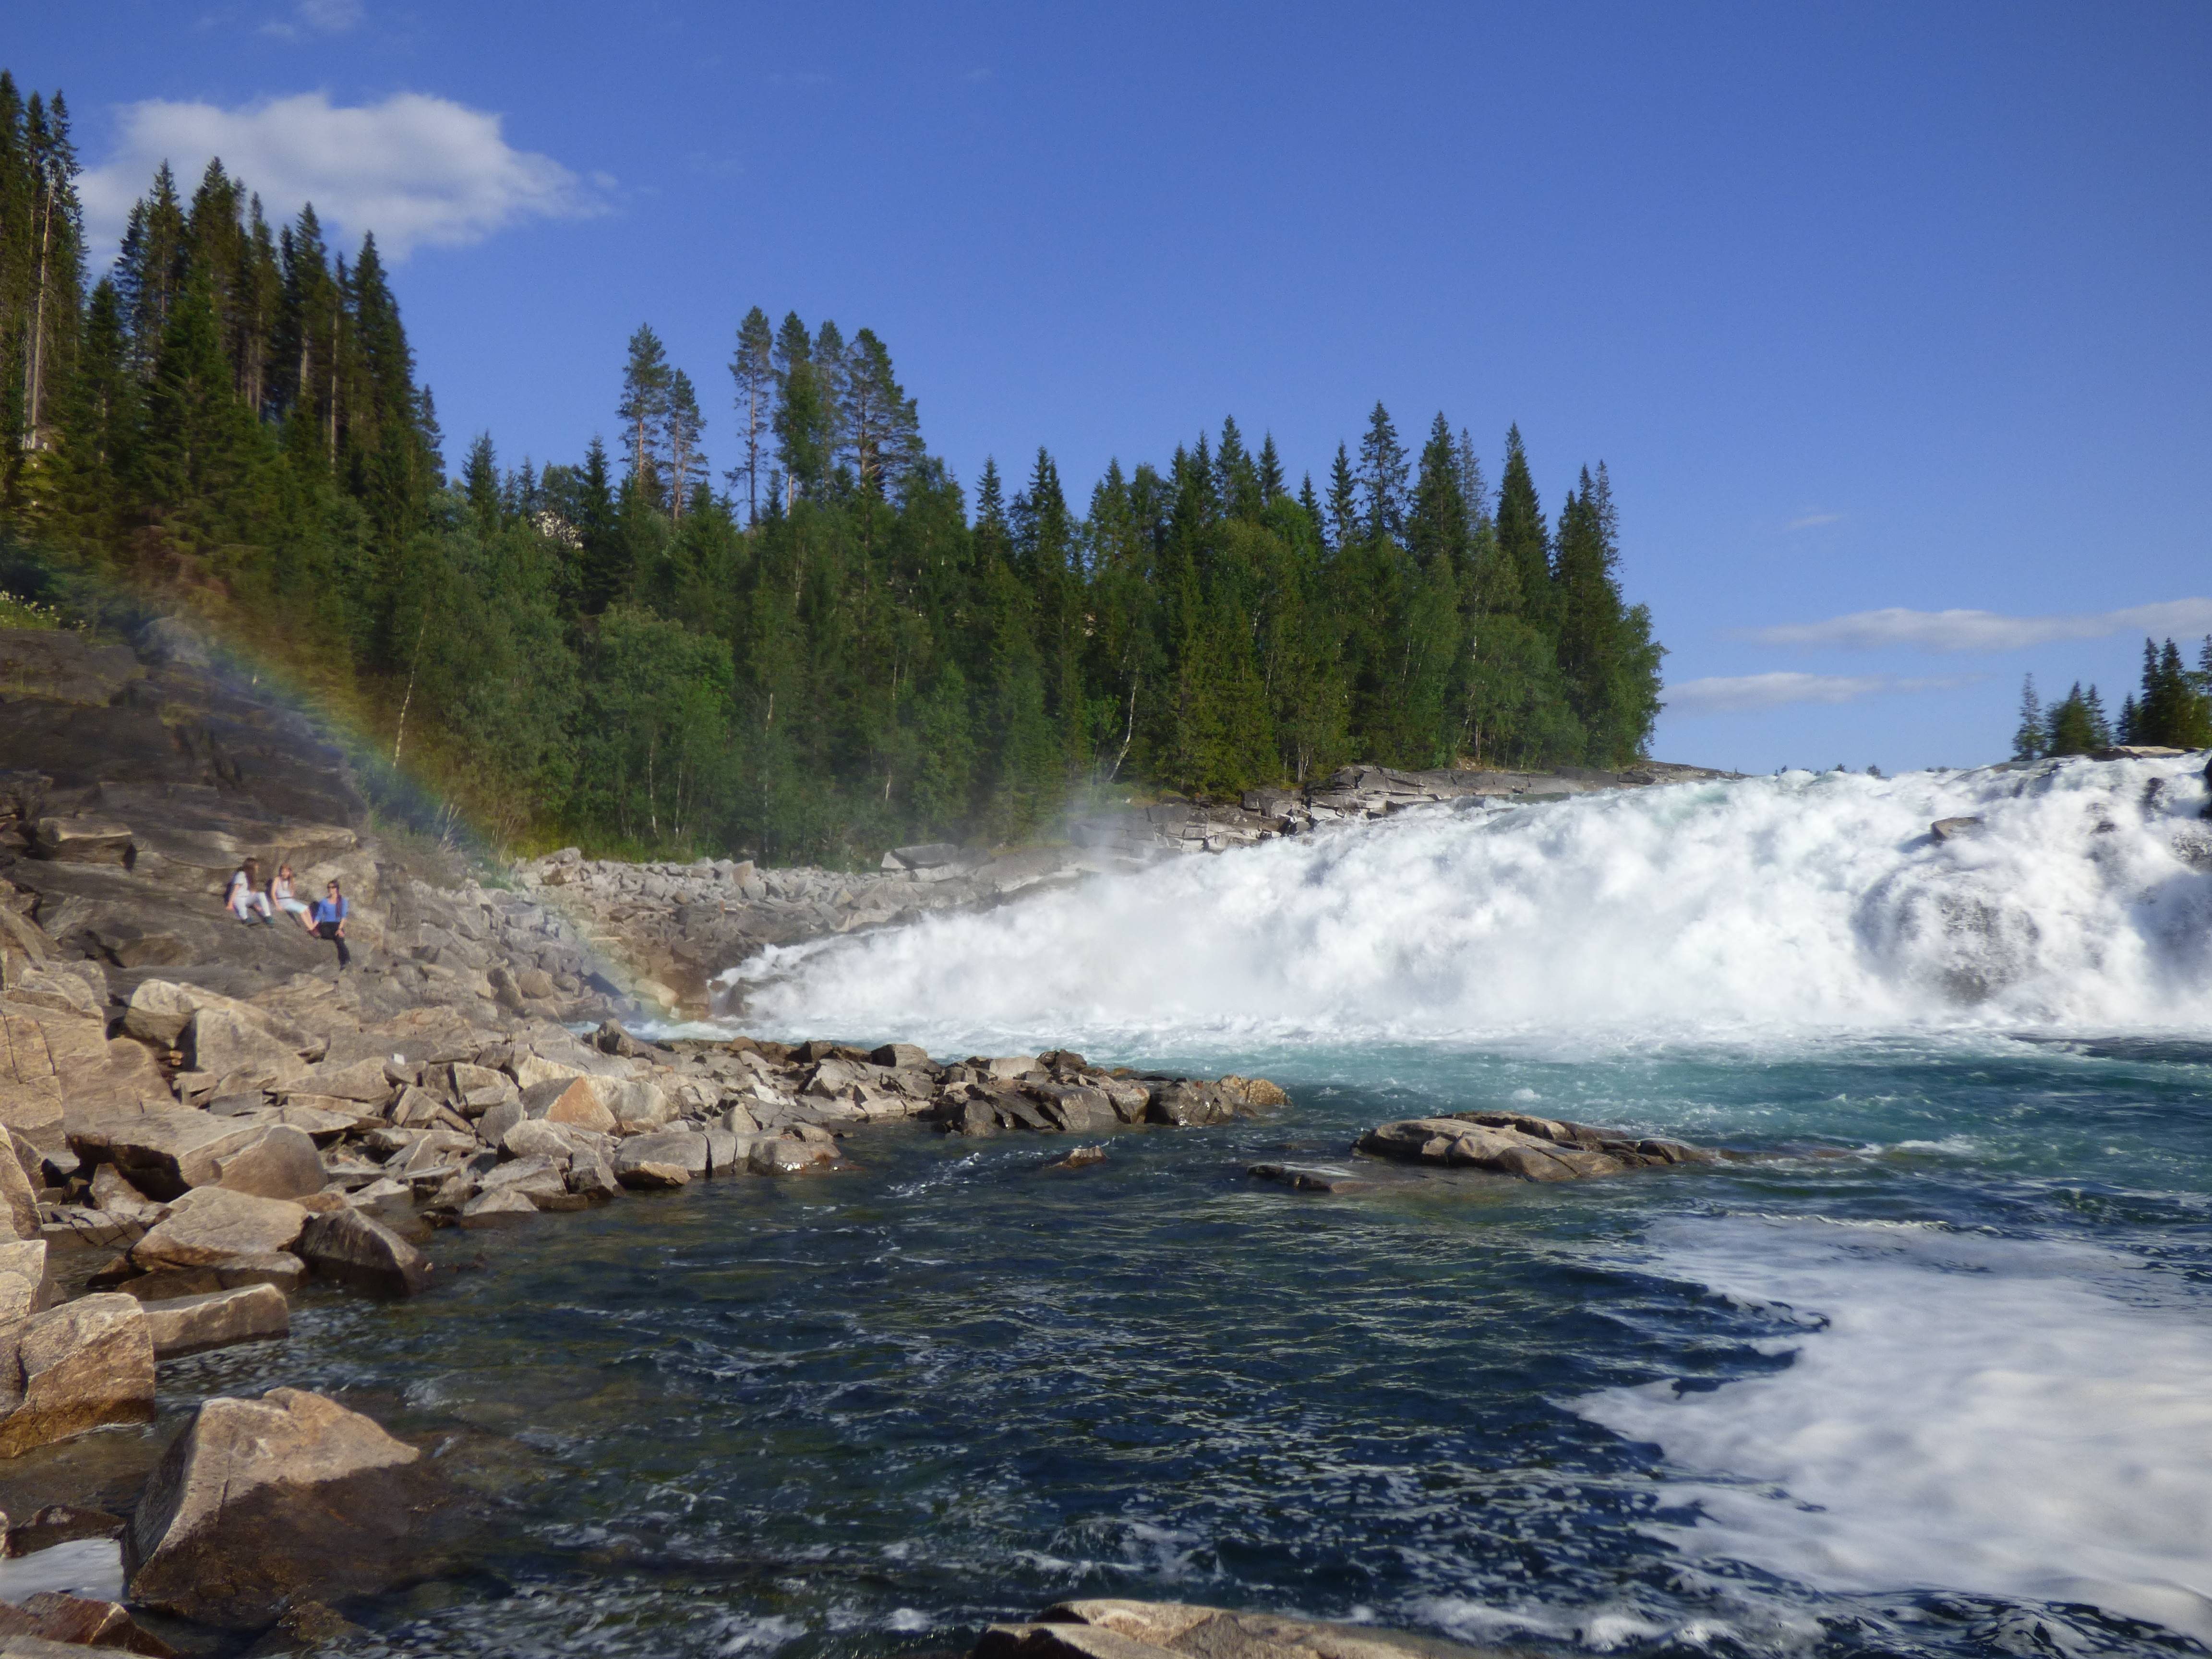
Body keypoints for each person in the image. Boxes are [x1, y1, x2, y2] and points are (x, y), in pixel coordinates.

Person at [311, 878, 351, 969]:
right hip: (326, 925)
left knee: (340, 939)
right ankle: (345, 960)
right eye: (329, 887)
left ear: (337, 888)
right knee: (332, 935)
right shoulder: (324, 902)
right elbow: (319, 916)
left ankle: (346, 961)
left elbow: (344, 917)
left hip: (337, 924)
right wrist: (312, 927)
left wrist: (340, 929)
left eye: (332, 887)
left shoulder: (343, 901)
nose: (330, 889)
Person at [226, 858, 275, 925]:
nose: (258, 868)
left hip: (246, 898)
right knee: (242, 907)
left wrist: (255, 905)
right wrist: (230, 904)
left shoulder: (251, 876)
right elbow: (235, 890)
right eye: (256, 866)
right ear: (251, 867)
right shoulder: (241, 875)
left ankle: (268, 916)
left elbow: (252, 892)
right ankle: (246, 919)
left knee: (261, 894)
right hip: (238, 898)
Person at [268, 864, 313, 930]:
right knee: (301, 910)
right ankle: (310, 928)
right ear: (281, 872)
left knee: (307, 909)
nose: (285, 873)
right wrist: (277, 905)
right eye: (283, 871)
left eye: (287, 872)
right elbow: (273, 893)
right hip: (283, 901)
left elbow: (292, 893)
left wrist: (292, 885)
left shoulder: (290, 880)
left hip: (290, 900)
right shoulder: (277, 879)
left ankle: (312, 926)